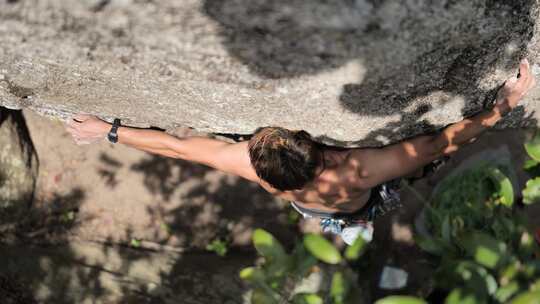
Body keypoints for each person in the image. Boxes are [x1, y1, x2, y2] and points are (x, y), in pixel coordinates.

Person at [67, 59, 536, 244]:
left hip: (317, 206)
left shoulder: (255, 170)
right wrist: (500, 109)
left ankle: (349, 229)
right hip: (359, 200)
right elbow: (436, 143)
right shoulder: (355, 169)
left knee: (346, 219)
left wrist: (107, 132)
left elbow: (177, 148)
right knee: (395, 186)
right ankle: (356, 227)